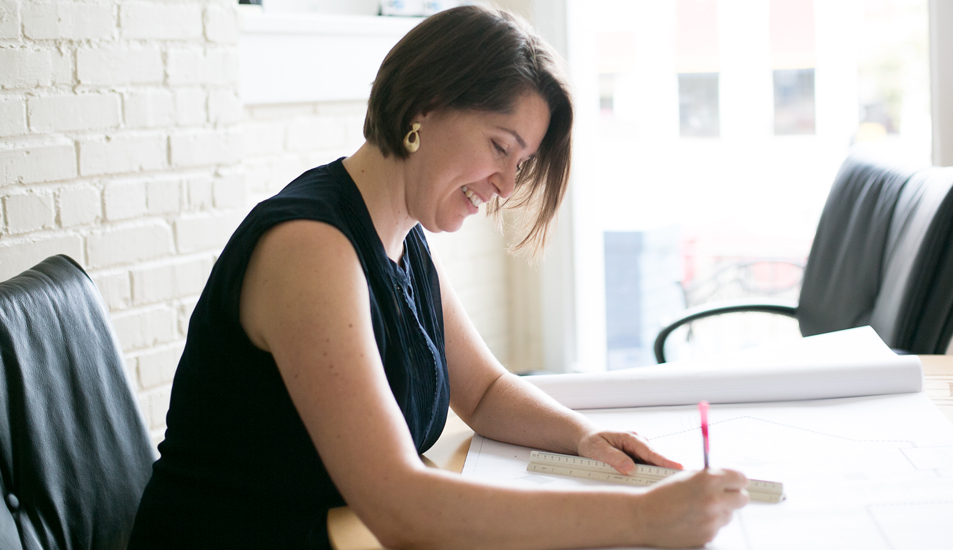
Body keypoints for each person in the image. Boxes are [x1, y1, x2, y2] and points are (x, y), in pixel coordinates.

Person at [127, 6, 748, 549]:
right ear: (426, 106)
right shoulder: (310, 249)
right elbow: (400, 507)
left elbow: (480, 393)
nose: (507, 185)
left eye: (522, 162)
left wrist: (586, 439)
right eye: (501, 147)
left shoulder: (402, 235)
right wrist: (640, 518)